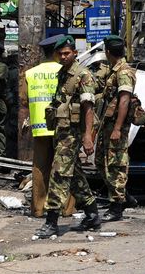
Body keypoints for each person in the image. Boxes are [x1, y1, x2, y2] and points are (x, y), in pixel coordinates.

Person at [35, 36, 101, 237]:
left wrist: (88, 136)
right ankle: (92, 215)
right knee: (75, 176)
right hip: (61, 131)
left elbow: (88, 107)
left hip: (73, 134)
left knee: (59, 174)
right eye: (60, 54)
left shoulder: (83, 75)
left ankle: (51, 221)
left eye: (66, 53)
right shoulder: (63, 74)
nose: (63, 57)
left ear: (74, 53)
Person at [95, 35, 137, 222]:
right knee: (99, 162)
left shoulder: (123, 72)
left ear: (108, 52)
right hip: (107, 124)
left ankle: (117, 206)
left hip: (116, 126)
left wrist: (118, 128)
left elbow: (125, 100)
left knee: (116, 164)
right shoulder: (113, 70)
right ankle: (123, 196)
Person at [25, 35, 64, 217]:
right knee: (63, 166)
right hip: (61, 125)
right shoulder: (65, 70)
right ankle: (65, 208)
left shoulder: (30, 73)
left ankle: (39, 208)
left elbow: (24, 100)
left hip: (39, 126)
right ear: (58, 52)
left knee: (40, 167)